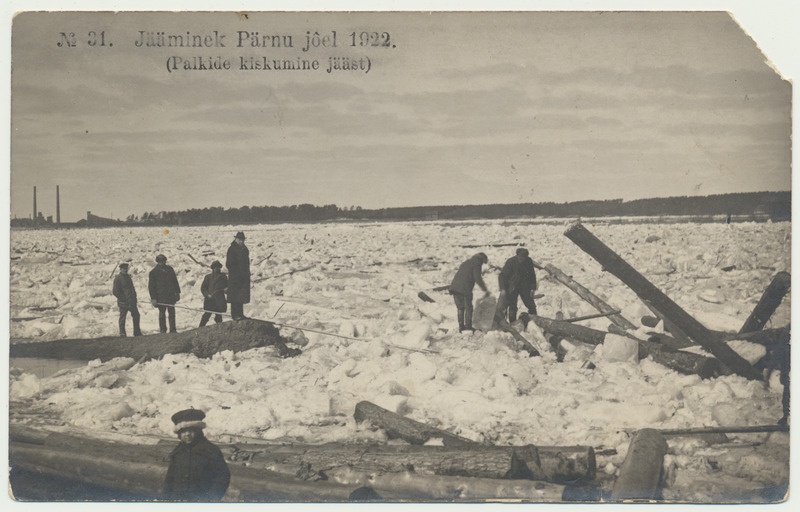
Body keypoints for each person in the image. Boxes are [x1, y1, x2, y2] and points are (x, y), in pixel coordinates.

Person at [163, 408, 230, 501]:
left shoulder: (210, 450)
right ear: (179, 434)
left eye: (191, 430)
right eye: (183, 431)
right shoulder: (177, 453)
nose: (187, 434)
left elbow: (222, 477)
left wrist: (210, 499)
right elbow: (169, 480)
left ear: (198, 431)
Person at [448, 252, 490, 332]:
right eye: (483, 262)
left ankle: (461, 327)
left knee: (460, 308)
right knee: (468, 308)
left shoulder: (466, 262)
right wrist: (485, 290)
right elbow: (477, 278)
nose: (482, 264)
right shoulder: (476, 264)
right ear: (481, 259)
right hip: (465, 289)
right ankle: (468, 327)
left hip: (454, 287)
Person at [495, 247, 538, 324]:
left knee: (530, 304)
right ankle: (513, 323)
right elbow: (502, 276)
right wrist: (503, 289)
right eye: (520, 257)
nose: (522, 259)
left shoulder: (528, 261)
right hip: (512, 287)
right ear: (517, 256)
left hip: (524, 286)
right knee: (512, 306)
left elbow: (532, 275)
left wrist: (532, 288)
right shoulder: (511, 262)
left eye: (524, 258)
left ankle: (535, 321)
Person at [149, 254, 181, 333]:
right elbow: (151, 287)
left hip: (170, 295)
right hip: (161, 297)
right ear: (158, 262)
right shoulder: (153, 272)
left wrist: (177, 292)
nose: (163, 263)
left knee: (172, 313)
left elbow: (175, 282)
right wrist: (153, 298)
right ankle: (163, 330)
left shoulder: (170, 269)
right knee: (162, 314)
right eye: (161, 261)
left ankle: (173, 329)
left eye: (164, 261)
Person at [226, 231, 250, 320]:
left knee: (241, 296)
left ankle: (240, 314)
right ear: (235, 239)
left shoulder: (245, 249)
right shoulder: (232, 249)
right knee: (235, 297)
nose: (241, 241)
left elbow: (247, 263)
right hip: (235, 277)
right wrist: (236, 273)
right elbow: (229, 264)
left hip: (243, 277)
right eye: (239, 239)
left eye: (242, 240)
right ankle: (235, 315)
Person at [112, 262, 142, 337]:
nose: (125, 270)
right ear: (121, 269)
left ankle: (137, 332)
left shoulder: (128, 277)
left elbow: (132, 288)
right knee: (123, 317)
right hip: (123, 302)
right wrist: (123, 299)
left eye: (126, 269)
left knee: (136, 315)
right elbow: (115, 291)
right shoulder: (118, 278)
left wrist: (134, 297)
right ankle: (122, 333)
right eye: (124, 269)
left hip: (131, 301)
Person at [199, 260, 228, 327]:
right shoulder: (208, 277)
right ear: (213, 268)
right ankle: (200, 329)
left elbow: (227, 286)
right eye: (215, 267)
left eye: (218, 267)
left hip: (219, 299)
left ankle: (219, 330)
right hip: (210, 299)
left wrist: (226, 289)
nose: (217, 269)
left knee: (218, 316)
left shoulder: (223, 277)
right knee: (206, 316)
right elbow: (203, 288)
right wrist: (207, 295)